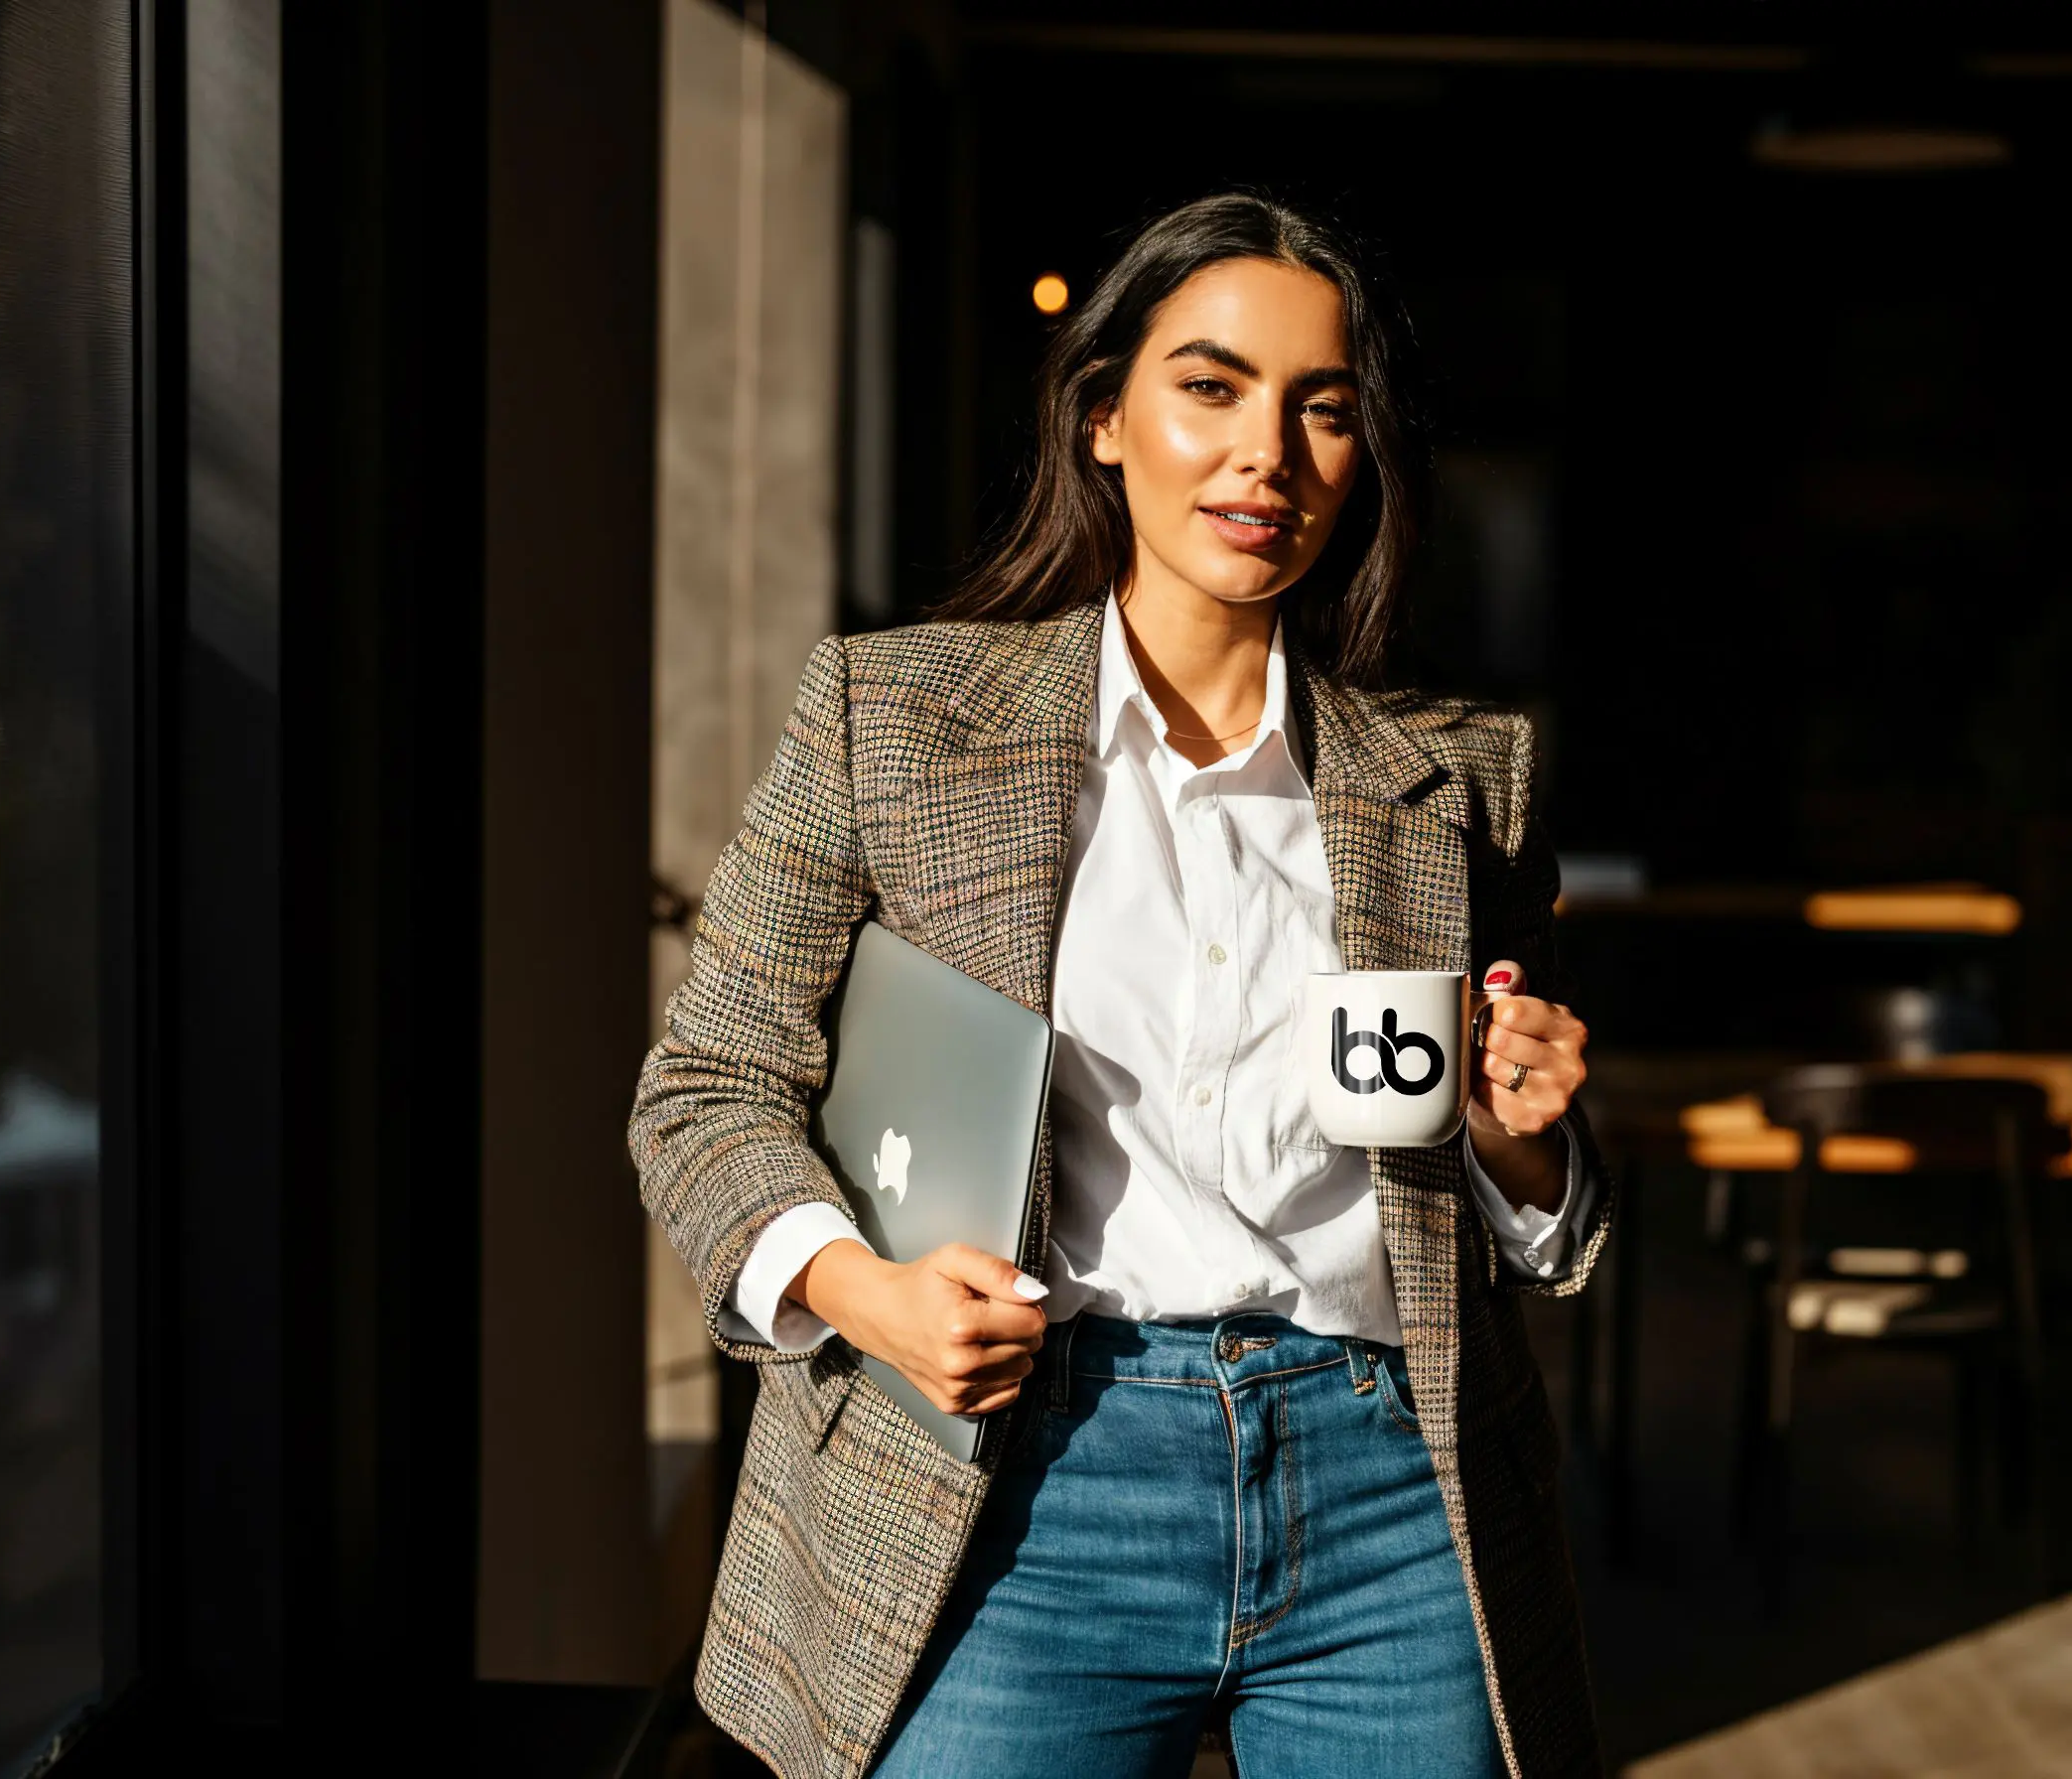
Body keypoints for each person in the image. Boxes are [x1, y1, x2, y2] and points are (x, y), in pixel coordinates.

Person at [630, 192, 1611, 1779]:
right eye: (1210, 389)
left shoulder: (1460, 776)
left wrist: (1524, 1139)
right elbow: (707, 1087)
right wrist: (860, 1295)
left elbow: (1529, 1218)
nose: (1268, 458)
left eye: (1325, 412)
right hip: (1022, 1478)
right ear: (1103, 418)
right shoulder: (894, 718)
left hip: (1388, 1490)